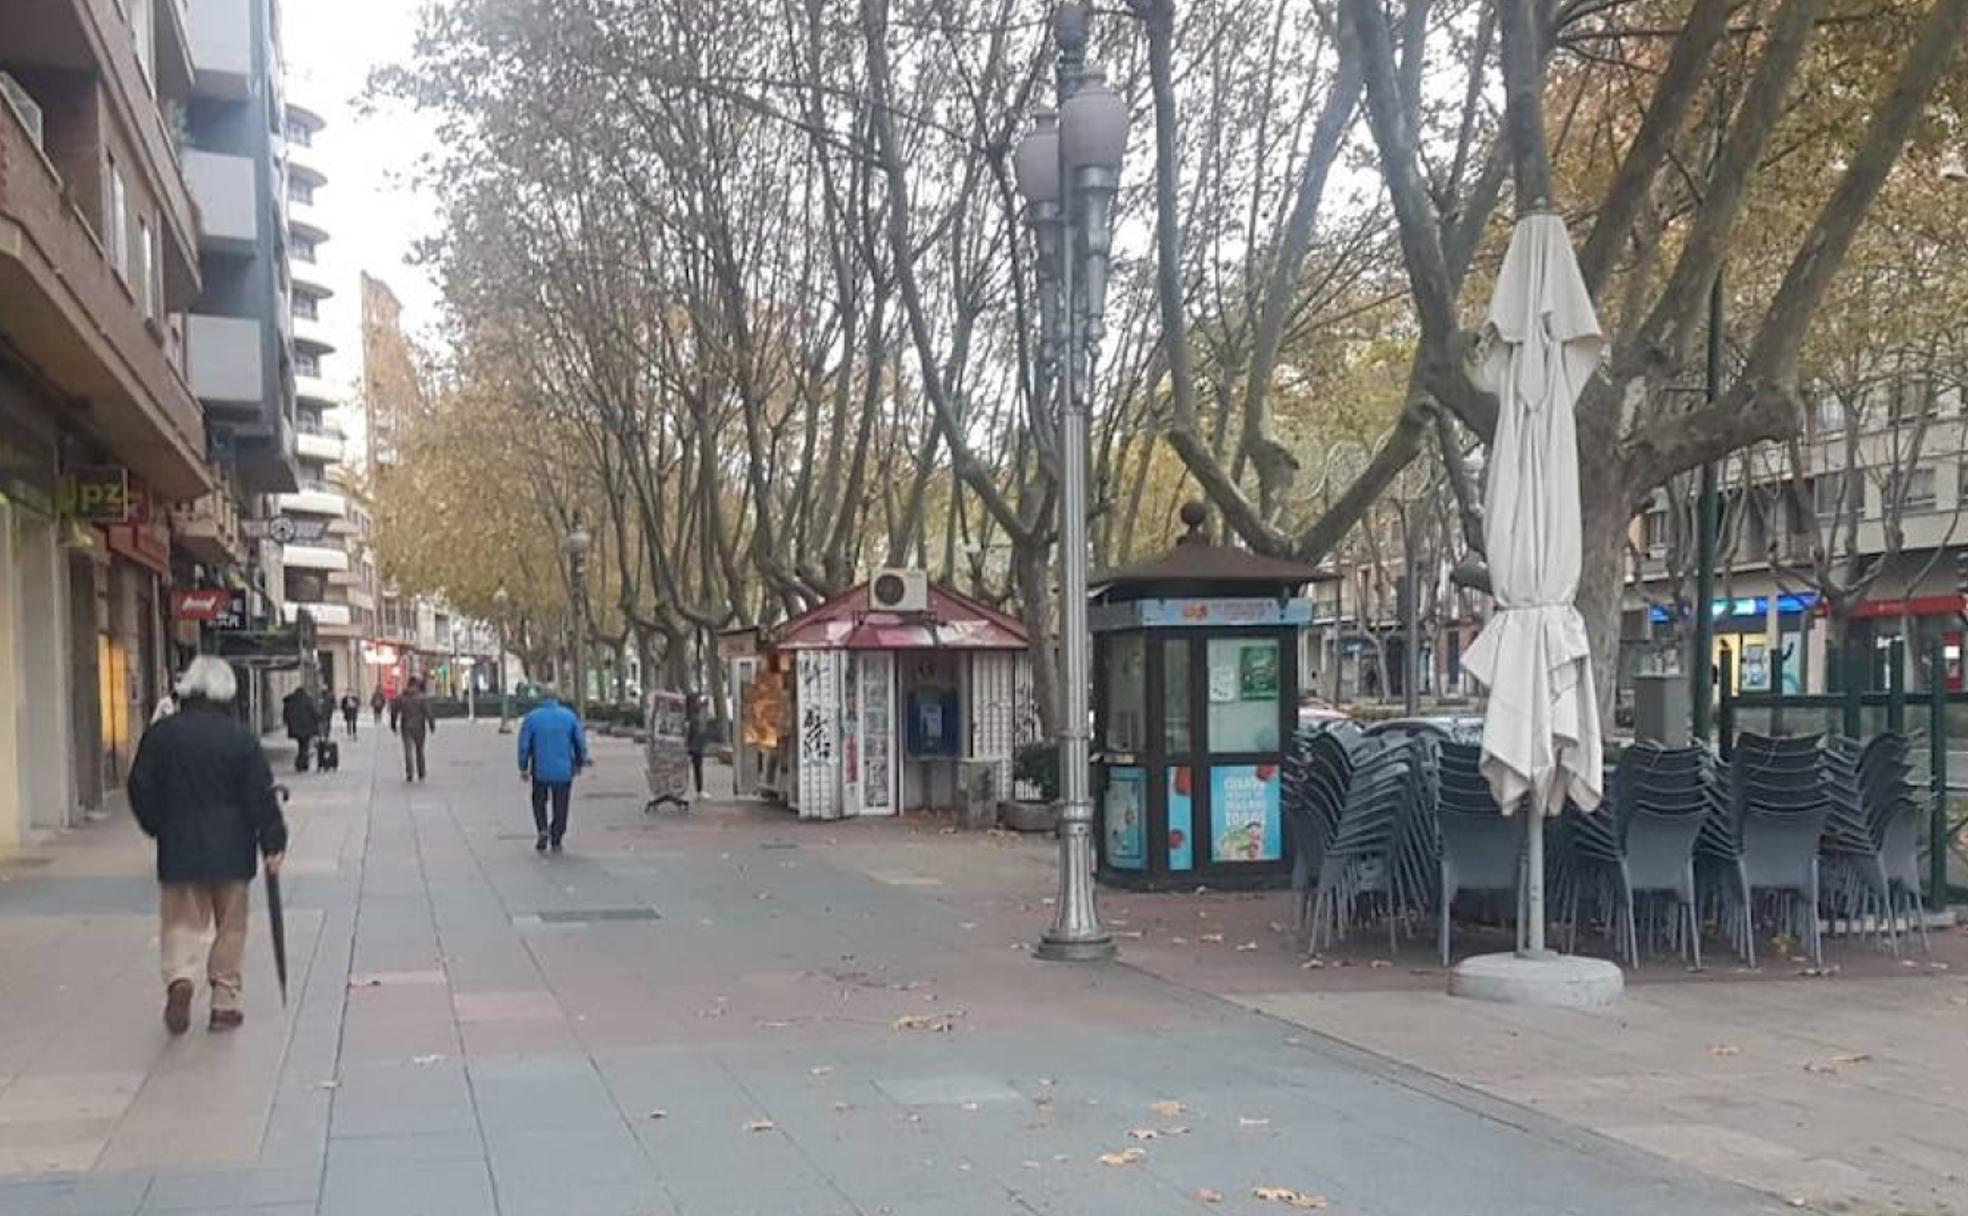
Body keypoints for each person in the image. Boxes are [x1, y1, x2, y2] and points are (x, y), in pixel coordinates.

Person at [127, 656, 287, 1034]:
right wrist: (272, 841)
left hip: (179, 844)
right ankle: (224, 1000)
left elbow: (140, 786)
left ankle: (180, 978)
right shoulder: (240, 738)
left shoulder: (162, 735)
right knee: (230, 925)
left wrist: (156, 825)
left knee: (180, 921)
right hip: (232, 847)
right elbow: (259, 796)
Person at [518, 685, 587, 853]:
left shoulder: (532, 718)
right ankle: (556, 835)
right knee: (561, 803)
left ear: (541, 700)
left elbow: (524, 745)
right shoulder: (569, 717)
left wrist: (523, 766)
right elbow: (580, 742)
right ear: (558, 699)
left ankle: (542, 829)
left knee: (539, 800)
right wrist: (579, 762)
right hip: (564, 768)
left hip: (540, 768)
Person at [390, 678, 437, 781]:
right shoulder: (422, 698)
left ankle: (409, 773)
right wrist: (432, 725)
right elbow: (428, 712)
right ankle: (421, 772)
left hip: (406, 727)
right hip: (420, 727)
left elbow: (394, 712)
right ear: (416, 685)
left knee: (408, 751)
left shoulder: (401, 698)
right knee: (420, 750)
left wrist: (393, 725)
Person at [281, 685, 322, 773]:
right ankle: (302, 764)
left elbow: (286, 714)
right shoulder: (308, 700)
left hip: (295, 729)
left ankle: (301, 763)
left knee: (301, 745)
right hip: (307, 728)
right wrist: (319, 718)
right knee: (305, 746)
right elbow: (314, 712)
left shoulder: (291, 701)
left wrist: (289, 724)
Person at [684, 693, 710, 797]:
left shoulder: (693, 716)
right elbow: (696, 732)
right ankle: (699, 790)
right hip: (695, 746)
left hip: (694, 745)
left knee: (697, 767)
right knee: (697, 767)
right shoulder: (694, 718)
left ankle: (699, 789)